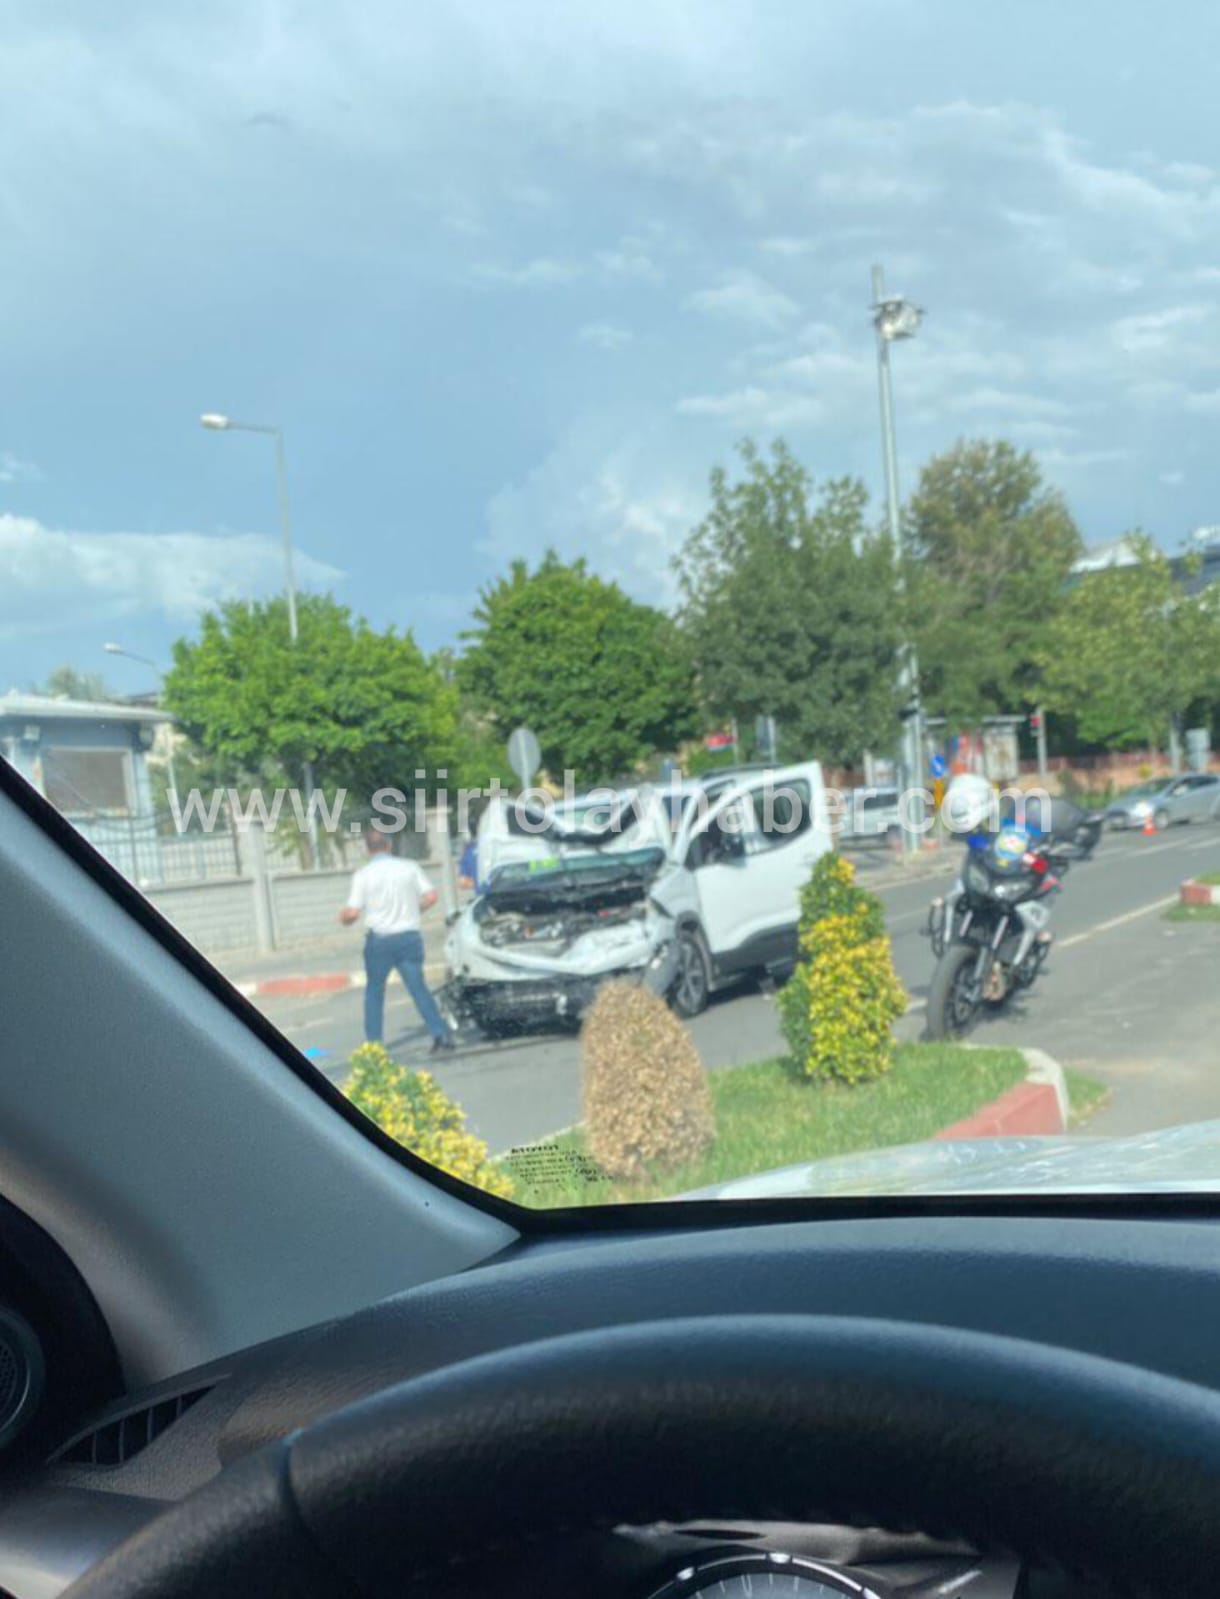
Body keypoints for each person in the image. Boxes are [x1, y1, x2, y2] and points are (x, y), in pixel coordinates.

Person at [339, 829, 455, 1052]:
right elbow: (431, 896)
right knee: (418, 987)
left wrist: (342, 917)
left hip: (379, 941)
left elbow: (352, 913)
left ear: (367, 849)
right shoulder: (409, 868)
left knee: (374, 992)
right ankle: (440, 1034)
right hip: (409, 938)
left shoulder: (363, 875)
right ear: (389, 845)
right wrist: (414, 910)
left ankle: (374, 1045)